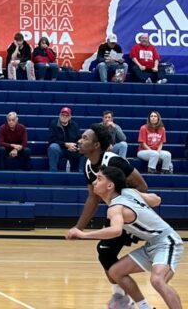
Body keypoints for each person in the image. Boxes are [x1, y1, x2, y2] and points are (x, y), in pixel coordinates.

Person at [68, 166, 183, 309]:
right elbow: (156, 200)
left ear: (110, 186)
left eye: (99, 178)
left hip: (167, 241)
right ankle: (144, 307)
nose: (94, 182)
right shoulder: (128, 192)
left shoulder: (115, 207)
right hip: (152, 244)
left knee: (157, 280)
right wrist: (145, 199)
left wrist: (83, 234)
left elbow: (116, 231)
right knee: (115, 272)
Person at [67, 123, 150, 309]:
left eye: (85, 138)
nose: (80, 140)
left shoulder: (114, 162)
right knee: (105, 253)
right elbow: (93, 198)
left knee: (105, 251)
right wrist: (78, 228)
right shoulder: (89, 166)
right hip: (116, 213)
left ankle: (130, 300)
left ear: (96, 145)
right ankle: (121, 297)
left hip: (134, 214)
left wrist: (123, 201)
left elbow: (143, 187)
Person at [47, 107, 86, 172]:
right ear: (59, 115)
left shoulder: (74, 125)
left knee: (86, 148)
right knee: (53, 147)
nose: (64, 117)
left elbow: (79, 139)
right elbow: (51, 140)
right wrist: (65, 144)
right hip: (60, 149)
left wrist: (75, 146)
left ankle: (81, 172)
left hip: (73, 149)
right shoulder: (53, 124)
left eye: (66, 115)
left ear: (70, 117)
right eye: (63, 115)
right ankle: (53, 172)